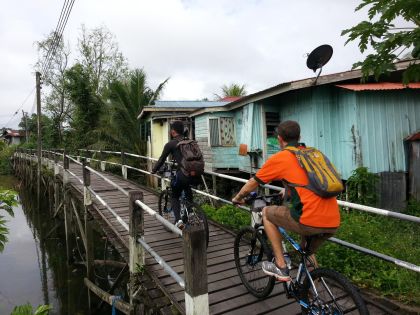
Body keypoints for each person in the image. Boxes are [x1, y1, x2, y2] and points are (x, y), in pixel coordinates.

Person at [232, 120, 340, 281]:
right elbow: (309, 179)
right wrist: (288, 189)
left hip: (308, 219)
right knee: (307, 253)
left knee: (267, 213)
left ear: (279, 139)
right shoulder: (312, 153)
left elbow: (253, 183)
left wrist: (238, 198)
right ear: (299, 136)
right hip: (332, 220)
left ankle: (281, 266)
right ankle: (312, 297)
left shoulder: (282, 157)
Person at [151, 120, 193, 229]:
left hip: (182, 174)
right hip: (195, 174)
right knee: (187, 189)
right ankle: (191, 212)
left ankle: (179, 221)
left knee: (175, 196)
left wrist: (153, 170)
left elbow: (161, 160)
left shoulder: (171, 144)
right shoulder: (190, 142)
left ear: (173, 132)